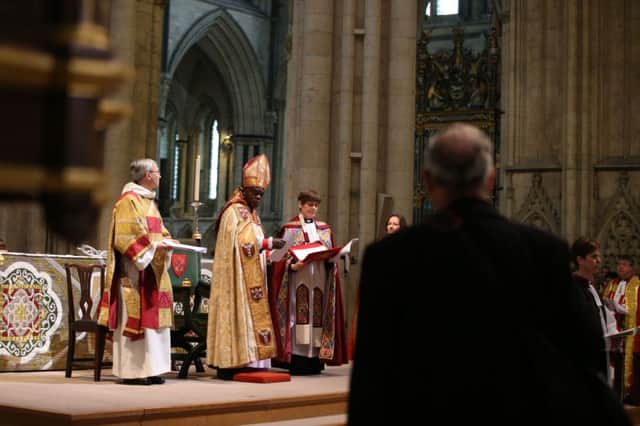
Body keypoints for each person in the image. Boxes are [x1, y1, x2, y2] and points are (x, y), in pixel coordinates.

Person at [348, 123, 630, 425]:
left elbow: (371, 379)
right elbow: (584, 354)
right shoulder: (542, 251)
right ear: (491, 178)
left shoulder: (389, 257)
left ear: (427, 180)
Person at [206, 154, 285, 380]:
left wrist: (270, 254)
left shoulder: (252, 213)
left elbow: (255, 244)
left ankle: (253, 361)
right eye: (255, 193)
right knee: (240, 316)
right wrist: (268, 243)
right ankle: (233, 361)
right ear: (244, 189)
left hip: (251, 276)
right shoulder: (234, 211)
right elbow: (242, 242)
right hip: (237, 281)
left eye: (262, 194)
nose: (259, 198)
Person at [98, 158, 174, 385]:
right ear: (148, 175)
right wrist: (153, 246)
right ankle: (133, 372)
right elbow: (126, 235)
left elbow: (161, 231)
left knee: (154, 323)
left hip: (153, 270)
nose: (160, 176)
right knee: (136, 321)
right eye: (158, 172)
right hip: (134, 273)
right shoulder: (128, 201)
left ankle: (152, 369)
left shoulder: (148, 202)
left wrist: (169, 242)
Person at [269, 190, 348, 374]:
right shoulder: (290, 229)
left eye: (315, 205)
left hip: (320, 280)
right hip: (298, 281)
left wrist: (333, 258)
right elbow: (278, 258)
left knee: (317, 317)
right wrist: (290, 266)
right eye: (309, 204)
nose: (313, 208)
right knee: (299, 317)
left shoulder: (325, 229)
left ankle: (315, 360)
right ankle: (297, 360)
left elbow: (329, 252)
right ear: (300, 205)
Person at [603, 255, 640, 404]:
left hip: (633, 335)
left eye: (624, 264)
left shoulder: (637, 285)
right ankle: (618, 400)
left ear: (632, 267)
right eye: (618, 264)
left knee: (634, 372)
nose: (620, 267)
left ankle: (634, 400)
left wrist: (620, 308)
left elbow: (635, 309)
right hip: (616, 333)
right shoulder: (611, 284)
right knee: (617, 369)